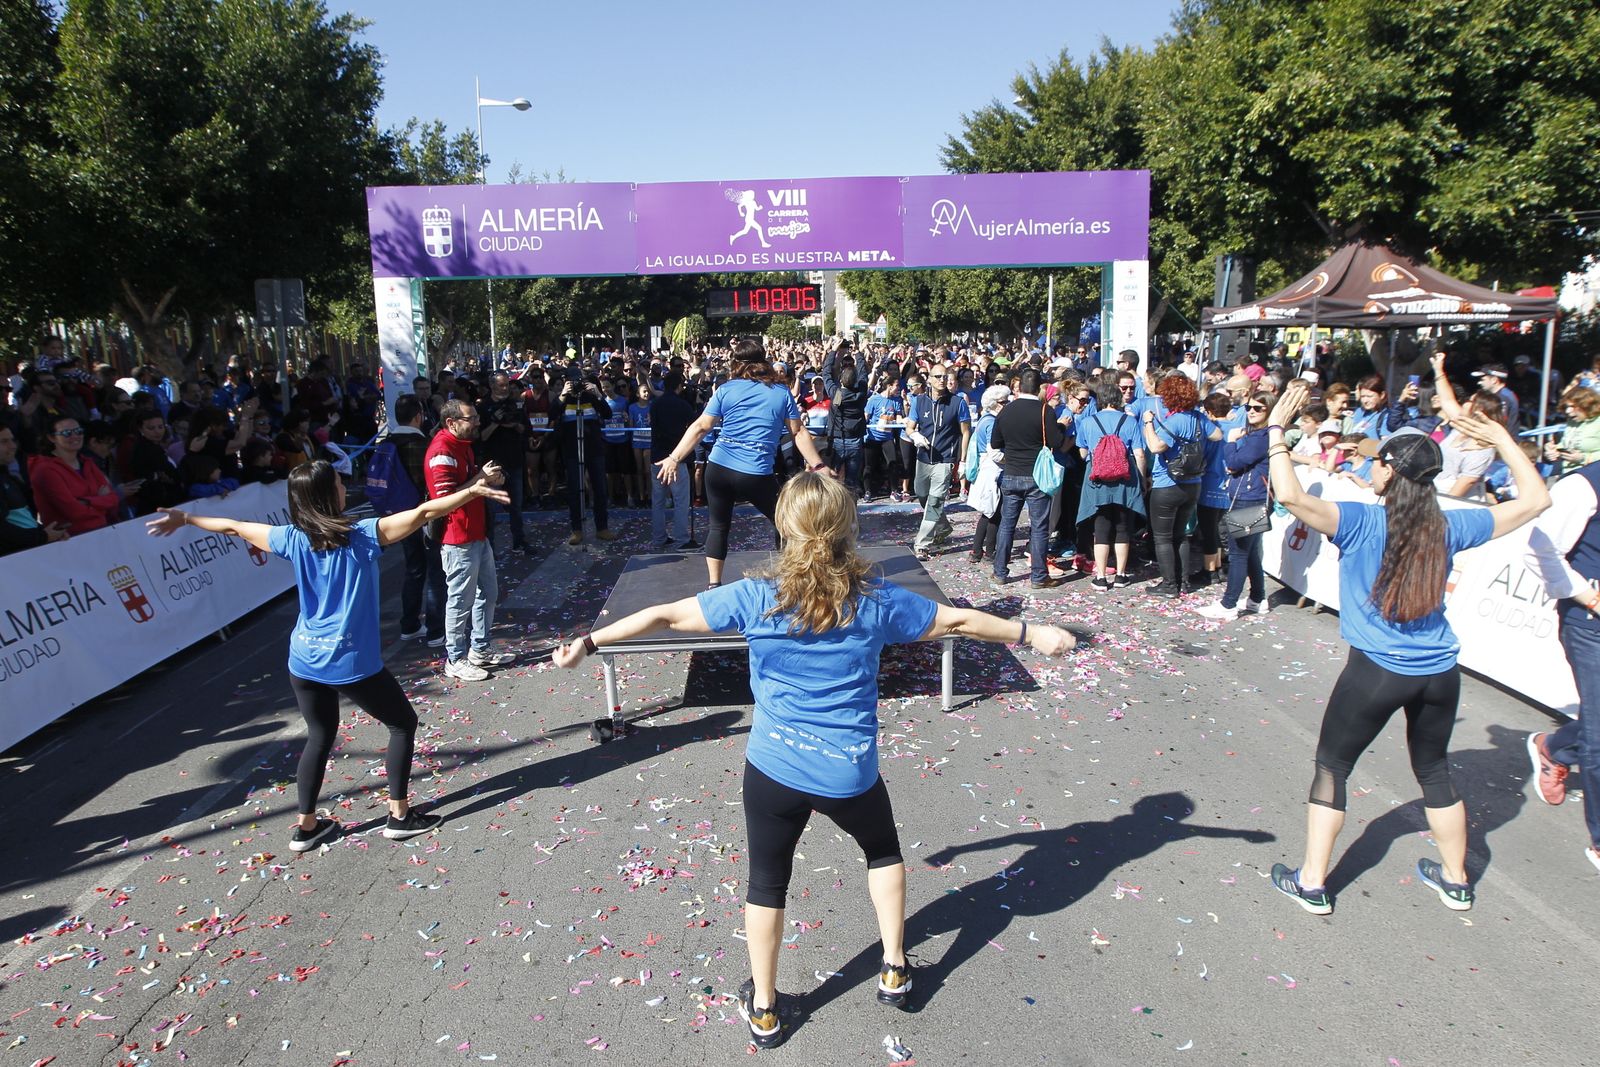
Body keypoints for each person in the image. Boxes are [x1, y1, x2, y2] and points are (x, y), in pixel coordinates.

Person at [548, 473, 1076, 1048]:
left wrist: (590, 643)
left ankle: (767, 1010)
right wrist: (1031, 632)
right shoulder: (875, 601)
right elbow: (957, 621)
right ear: (848, 529)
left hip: (774, 768)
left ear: (784, 529)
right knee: (882, 852)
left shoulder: (756, 597)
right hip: (849, 771)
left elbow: (668, 616)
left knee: (767, 882)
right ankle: (895, 969)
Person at [1262, 380, 1549, 915]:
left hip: (1376, 670)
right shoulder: (1451, 525)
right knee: (1435, 770)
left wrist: (1276, 430)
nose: (1370, 467)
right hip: (1440, 671)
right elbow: (1537, 501)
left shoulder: (1362, 520)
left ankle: (1312, 881)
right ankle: (1456, 880)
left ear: (1391, 471)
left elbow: (1291, 495)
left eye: (1377, 462)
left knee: (1333, 767)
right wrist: (1503, 439)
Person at [146, 460, 508, 850]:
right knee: (402, 724)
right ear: (327, 494)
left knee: (319, 734)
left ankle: (306, 827)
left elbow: (233, 527)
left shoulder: (291, 538)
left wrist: (185, 518)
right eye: (338, 482)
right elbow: (423, 512)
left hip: (303, 659)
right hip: (350, 661)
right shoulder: (363, 535)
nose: (343, 486)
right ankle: (399, 815)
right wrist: (472, 491)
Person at [655, 340, 830, 590]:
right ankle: (790, 577)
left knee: (718, 525)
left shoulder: (726, 390)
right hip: (755, 473)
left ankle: (714, 584)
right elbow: (798, 432)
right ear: (765, 362)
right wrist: (819, 466)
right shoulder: (780, 393)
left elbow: (701, 426)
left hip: (719, 469)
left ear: (735, 364)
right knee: (786, 522)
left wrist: (674, 458)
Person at [1524, 458, 1600, 875]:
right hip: (1590, 624)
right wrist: (1586, 595)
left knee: (1595, 723)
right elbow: (1540, 547)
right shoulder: (1586, 484)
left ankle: (1555, 748)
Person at [425, 400, 513, 682]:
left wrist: (488, 481)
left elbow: (471, 487)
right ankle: (455, 658)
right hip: (457, 539)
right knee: (459, 601)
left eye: (476, 416)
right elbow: (443, 502)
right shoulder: (441, 451)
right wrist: (480, 479)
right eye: (471, 418)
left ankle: (480, 648)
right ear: (451, 422)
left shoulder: (461, 444)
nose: (477, 422)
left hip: (477, 533)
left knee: (488, 592)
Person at [989, 368, 1069, 590]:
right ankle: (1038, 576)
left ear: (1020, 387)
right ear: (1038, 387)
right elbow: (1056, 441)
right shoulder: (1045, 411)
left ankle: (1000, 572)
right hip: (1036, 477)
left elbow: (995, 443)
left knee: (1007, 525)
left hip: (1012, 473)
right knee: (1039, 527)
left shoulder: (1006, 411)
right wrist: (1062, 425)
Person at [1140, 373, 1219, 596]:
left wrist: (1148, 423)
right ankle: (1183, 581)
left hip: (1168, 484)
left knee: (1163, 537)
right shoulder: (1198, 418)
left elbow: (1156, 447)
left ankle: (1169, 585)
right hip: (1193, 484)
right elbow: (1217, 435)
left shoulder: (1175, 421)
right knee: (1181, 535)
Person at [1196, 392, 1273, 620]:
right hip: (1251, 496)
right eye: (1249, 407)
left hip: (1249, 498)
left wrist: (1230, 441)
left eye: (1258, 408)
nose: (1251, 411)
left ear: (1269, 411)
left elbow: (1232, 463)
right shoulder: (1257, 434)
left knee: (1239, 552)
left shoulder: (1261, 437)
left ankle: (1228, 604)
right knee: (1250, 554)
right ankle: (1257, 598)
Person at [1074, 377, 1146, 590]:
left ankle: (1102, 577)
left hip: (1097, 480)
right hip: (1126, 479)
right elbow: (1139, 454)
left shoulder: (1088, 422)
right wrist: (1141, 480)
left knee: (1101, 528)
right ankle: (1122, 575)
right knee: (1123, 527)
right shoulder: (1130, 421)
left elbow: (1083, 452)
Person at [387, 395, 444, 643]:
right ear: (418, 416)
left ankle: (409, 625)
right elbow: (429, 483)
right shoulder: (421, 444)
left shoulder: (387, 443)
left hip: (398, 515)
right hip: (424, 514)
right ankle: (435, 629)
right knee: (434, 571)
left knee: (413, 569)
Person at [907, 369, 970, 559]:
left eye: (945, 377)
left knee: (935, 500)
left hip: (945, 459)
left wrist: (964, 460)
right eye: (938, 377)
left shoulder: (957, 402)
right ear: (929, 379)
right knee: (922, 495)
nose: (942, 380)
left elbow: (965, 431)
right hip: (924, 456)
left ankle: (922, 544)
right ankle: (943, 527)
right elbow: (909, 426)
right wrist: (914, 435)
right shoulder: (919, 401)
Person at [29, 414, 120, 534]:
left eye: (78, 431)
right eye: (67, 433)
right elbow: (73, 511)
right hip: (69, 540)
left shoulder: (87, 462)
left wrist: (86, 501)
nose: (75, 436)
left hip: (101, 532)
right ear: (52, 438)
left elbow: (114, 499)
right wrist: (100, 500)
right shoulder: (45, 470)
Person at [477, 372, 529, 557]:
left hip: (514, 460)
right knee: (490, 510)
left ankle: (519, 541)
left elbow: (526, 429)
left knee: (516, 505)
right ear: (492, 386)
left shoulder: (515, 403)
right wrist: (495, 422)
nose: (505, 389)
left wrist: (515, 424)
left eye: (507, 385)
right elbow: (481, 437)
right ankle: (488, 547)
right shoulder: (482, 406)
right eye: (501, 385)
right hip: (492, 465)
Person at [0, 425, 69, 554]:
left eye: (12, 440)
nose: (13, 446)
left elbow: (24, 520)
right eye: (4, 441)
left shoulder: (9, 478)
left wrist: (49, 534)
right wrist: (43, 537)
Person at [648, 372, 697, 549]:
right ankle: (682, 539)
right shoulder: (682, 405)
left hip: (657, 456)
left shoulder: (655, 404)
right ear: (678, 386)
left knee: (658, 501)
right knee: (681, 500)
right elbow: (694, 424)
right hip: (676, 458)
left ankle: (659, 538)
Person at [965, 385, 1010, 564]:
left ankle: (978, 551)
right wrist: (1012, 459)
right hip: (992, 470)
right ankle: (988, 551)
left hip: (989, 469)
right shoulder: (991, 422)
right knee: (992, 512)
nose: (1007, 404)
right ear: (993, 403)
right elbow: (995, 452)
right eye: (1003, 402)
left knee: (990, 512)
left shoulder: (986, 419)